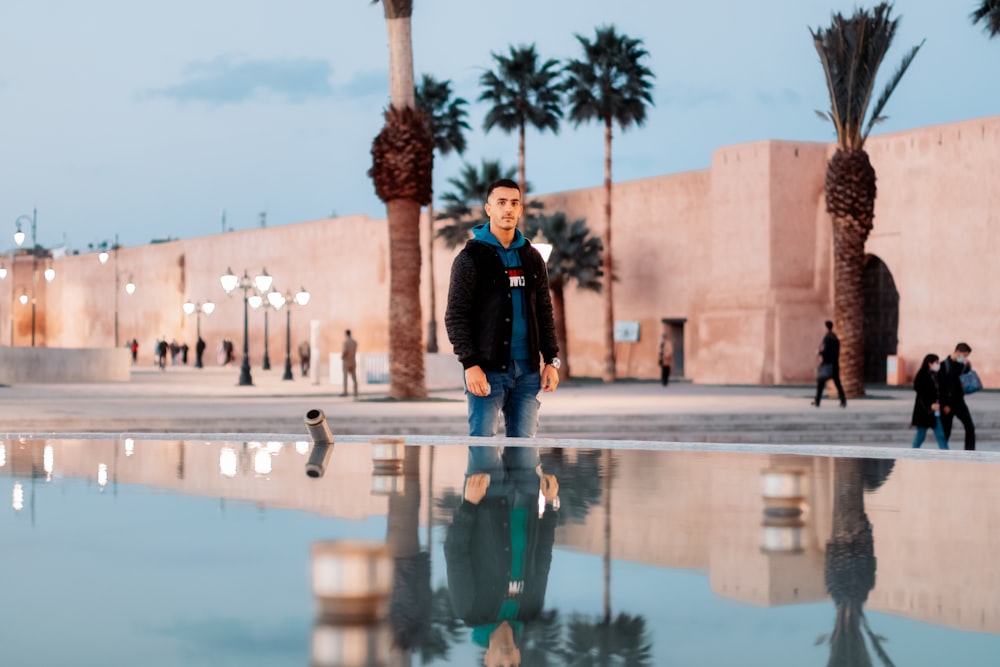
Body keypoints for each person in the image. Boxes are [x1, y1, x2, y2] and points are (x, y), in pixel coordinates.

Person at [445, 178, 560, 438]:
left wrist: (551, 360)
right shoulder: (470, 258)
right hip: (487, 372)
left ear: (520, 209)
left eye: (514, 203)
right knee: (483, 457)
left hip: (528, 374)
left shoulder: (532, 258)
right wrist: (470, 363)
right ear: (488, 209)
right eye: (501, 203)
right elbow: (455, 316)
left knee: (524, 461)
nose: (508, 209)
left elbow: (544, 311)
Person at [445, 448, 559, 667]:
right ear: (519, 657)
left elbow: (455, 552)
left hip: (486, 498)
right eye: (513, 666)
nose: (506, 661)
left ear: (487, 660)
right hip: (527, 496)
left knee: (483, 432)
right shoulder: (531, 609)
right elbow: (543, 554)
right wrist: (551, 505)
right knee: (524, 429)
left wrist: (468, 505)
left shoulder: (470, 611)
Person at [938, 342, 976, 450]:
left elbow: (965, 378)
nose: (964, 358)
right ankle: (943, 453)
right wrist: (943, 404)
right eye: (964, 355)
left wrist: (968, 366)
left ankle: (969, 452)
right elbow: (940, 388)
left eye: (966, 356)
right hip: (948, 405)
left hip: (959, 402)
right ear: (957, 352)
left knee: (970, 427)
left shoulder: (961, 365)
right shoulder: (944, 365)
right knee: (946, 431)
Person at [910, 353, 948, 449]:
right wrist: (929, 405)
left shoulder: (936, 375)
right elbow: (921, 395)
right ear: (929, 363)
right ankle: (913, 453)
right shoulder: (922, 376)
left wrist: (941, 404)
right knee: (920, 436)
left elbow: (940, 391)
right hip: (924, 411)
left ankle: (947, 455)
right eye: (936, 362)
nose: (938, 365)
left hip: (935, 411)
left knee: (940, 435)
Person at [813, 320, 846, 408]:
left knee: (820, 383)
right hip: (835, 364)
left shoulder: (827, 338)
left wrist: (820, 353)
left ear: (826, 327)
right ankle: (843, 401)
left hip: (827, 364)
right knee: (837, 383)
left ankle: (817, 401)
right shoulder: (835, 338)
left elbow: (826, 351)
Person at [341, 330, 358, 397]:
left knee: (345, 378)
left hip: (346, 362)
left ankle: (345, 392)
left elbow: (345, 351)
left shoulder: (346, 342)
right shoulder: (354, 342)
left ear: (346, 334)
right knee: (354, 378)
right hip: (353, 361)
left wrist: (342, 356)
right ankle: (355, 392)